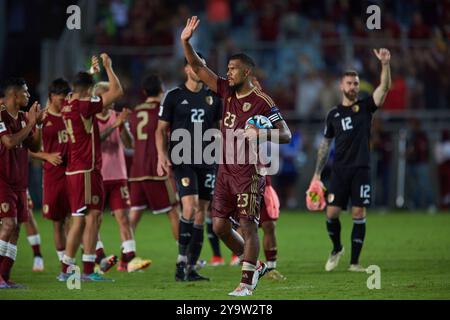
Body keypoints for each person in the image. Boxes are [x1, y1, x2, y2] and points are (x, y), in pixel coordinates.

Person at [179, 16, 292, 296]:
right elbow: (197, 67)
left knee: (248, 225)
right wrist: (185, 41)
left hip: (249, 173)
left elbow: (286, 134)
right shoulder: (225, 92)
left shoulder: (263, 101)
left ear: (248, 73)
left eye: (234, 69)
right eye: (227, 68)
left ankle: (245, 283)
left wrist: (262, 135)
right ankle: (255, 266)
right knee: (218, 227)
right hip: (225, 171)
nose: (228, 73)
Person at [307, 49, 392, 272]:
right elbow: (325, 146)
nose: (353, 87)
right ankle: (337, 248)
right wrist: (317, 174)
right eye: (349, 83)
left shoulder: (366, 107)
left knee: (358, 213)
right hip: (340, 171)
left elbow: (383, 89)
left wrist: (385, 65)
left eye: (355, 83)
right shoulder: (333, 114)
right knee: (331, 213)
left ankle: (354, 263)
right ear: (341, 87)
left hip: (361, 169)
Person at [156, 53, 222, 282]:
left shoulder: (214, 97)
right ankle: (181, 262)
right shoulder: (173, 96)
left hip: (207, 160)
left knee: (201, 213)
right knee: (190, 206)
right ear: (186, 69)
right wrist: (161, 155)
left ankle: (191, 267)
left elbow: (220, 128)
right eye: (195, 65)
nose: (199, 69)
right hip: (182, 159)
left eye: (202, 66)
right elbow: (160, 130)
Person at [60, 54, 123, 282]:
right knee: (88, 218)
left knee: (89, 217)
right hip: (86, 169)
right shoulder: (85, 105)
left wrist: (91, 72)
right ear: (88, 91)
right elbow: (117, 92)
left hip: (75, 170)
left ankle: (71, 268)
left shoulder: (68, 102)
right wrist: (108, 66)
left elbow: (82, 88)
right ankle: (82, 270)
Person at [94, 81, 151, 273]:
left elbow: (130, 144)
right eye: (108, 95)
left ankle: (130, 259)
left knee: (124, 218)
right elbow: (94, 142)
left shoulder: (117, 116)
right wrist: (114, 126)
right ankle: (98, 258)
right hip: (97, 176)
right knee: (95, 220)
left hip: (118, 175)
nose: (113, 99)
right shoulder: (89, 118)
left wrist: (122, 127)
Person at [127, 75, 181, 252]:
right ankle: (185, 257)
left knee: (134, 214)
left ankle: (126, 255)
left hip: (136, 169)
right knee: (174, 212)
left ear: (144, 92)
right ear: (162, 89)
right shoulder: (163, 110)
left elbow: (130, 142)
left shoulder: (134, 112)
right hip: (159, 167)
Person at [0, 77, 44, 288]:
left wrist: (39, 126)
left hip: (20, 182)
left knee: (16, 228)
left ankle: (4, 277)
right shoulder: (0, 116)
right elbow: (8, 142)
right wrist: (31, 124)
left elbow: (34, 147)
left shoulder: (25, 118)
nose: (28, 95)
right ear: (14, 95)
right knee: (8, 225)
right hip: (3, 181)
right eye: (25, 92)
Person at [29, 78, 72, 275]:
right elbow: (27, 150)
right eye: (60, 99)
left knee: (76, 218)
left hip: (73, 173)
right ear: (51, 97)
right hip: (53, 176)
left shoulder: (71, 115)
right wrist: (46, 155)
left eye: (66, 98)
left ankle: (73, 262)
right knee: (58, 221)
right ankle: (64, 264)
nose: (63, 102)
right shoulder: (42, 119)